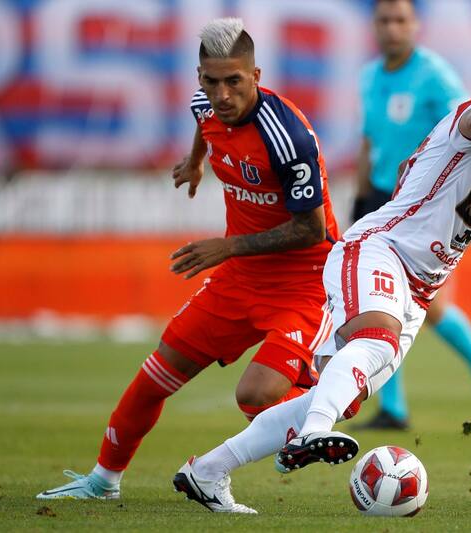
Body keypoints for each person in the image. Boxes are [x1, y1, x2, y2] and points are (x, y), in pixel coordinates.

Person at [173, 27, 471, 513]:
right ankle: (316, 432)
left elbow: (419, 169)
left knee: (331, 394)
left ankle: (208, 471)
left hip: (418, 292)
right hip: (378, 251)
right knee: (370, 348)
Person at [36, 17, 340, 503]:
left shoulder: (288, 137)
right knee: (154, 376)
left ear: (256, 76)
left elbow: (311, 228)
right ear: (200, 79)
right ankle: (102, 483)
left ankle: (322, 409)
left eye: (234, 82)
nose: (222, 94)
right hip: (239, 280)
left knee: (255, 395)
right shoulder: (205, 107)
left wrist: (228, 246)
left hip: (302, 283)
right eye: (211, 81)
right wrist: (196, 160)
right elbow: (206, 125)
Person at [353, 0, 471, 431]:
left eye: (400, 20)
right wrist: (360, 197)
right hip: (381, 199)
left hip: (424, 204)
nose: (391, 28)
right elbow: (370, 141)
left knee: (428, 305)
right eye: (384, 20)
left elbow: (468, 126)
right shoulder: (368, 78)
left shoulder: (435, 76)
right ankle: (394, 408)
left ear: (415, 26)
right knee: (378, 302)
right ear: (374, 26)